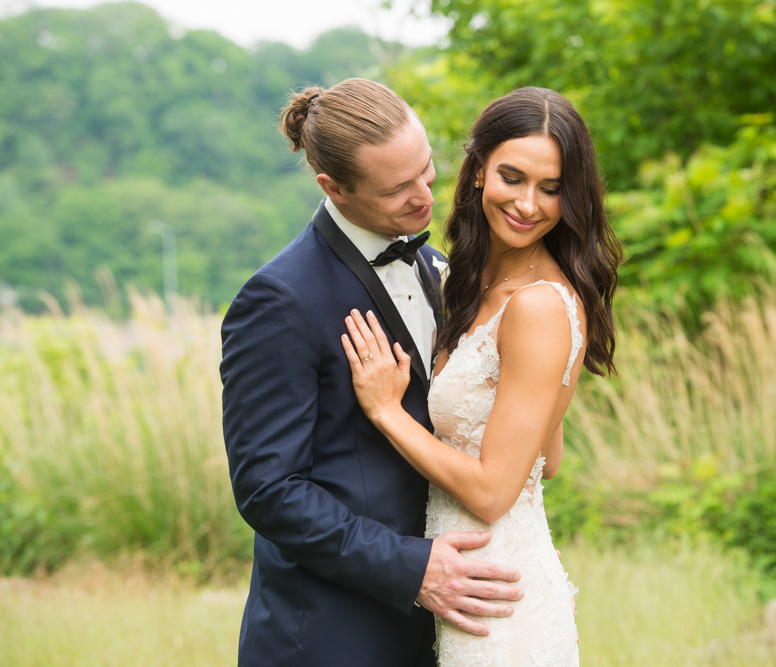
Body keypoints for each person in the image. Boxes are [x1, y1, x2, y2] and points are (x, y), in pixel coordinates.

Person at [220, 78, 524, 667]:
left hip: (439, 631)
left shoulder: (437, 266)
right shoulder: (279, 299)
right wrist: (412, 568)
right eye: (397, 189)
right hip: (332, 637)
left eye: (427, 170)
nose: (424, 198)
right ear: (332, 188)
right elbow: (268, 489)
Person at [341, 87, 623, 666]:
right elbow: (548, 459)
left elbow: (496, 492)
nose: (528, 204)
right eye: (512, 178)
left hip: (499, 606)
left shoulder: (539, 306)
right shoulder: (471, 284)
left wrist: (387, 412)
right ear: (477, 172)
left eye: (552, 189)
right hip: (467, 586)